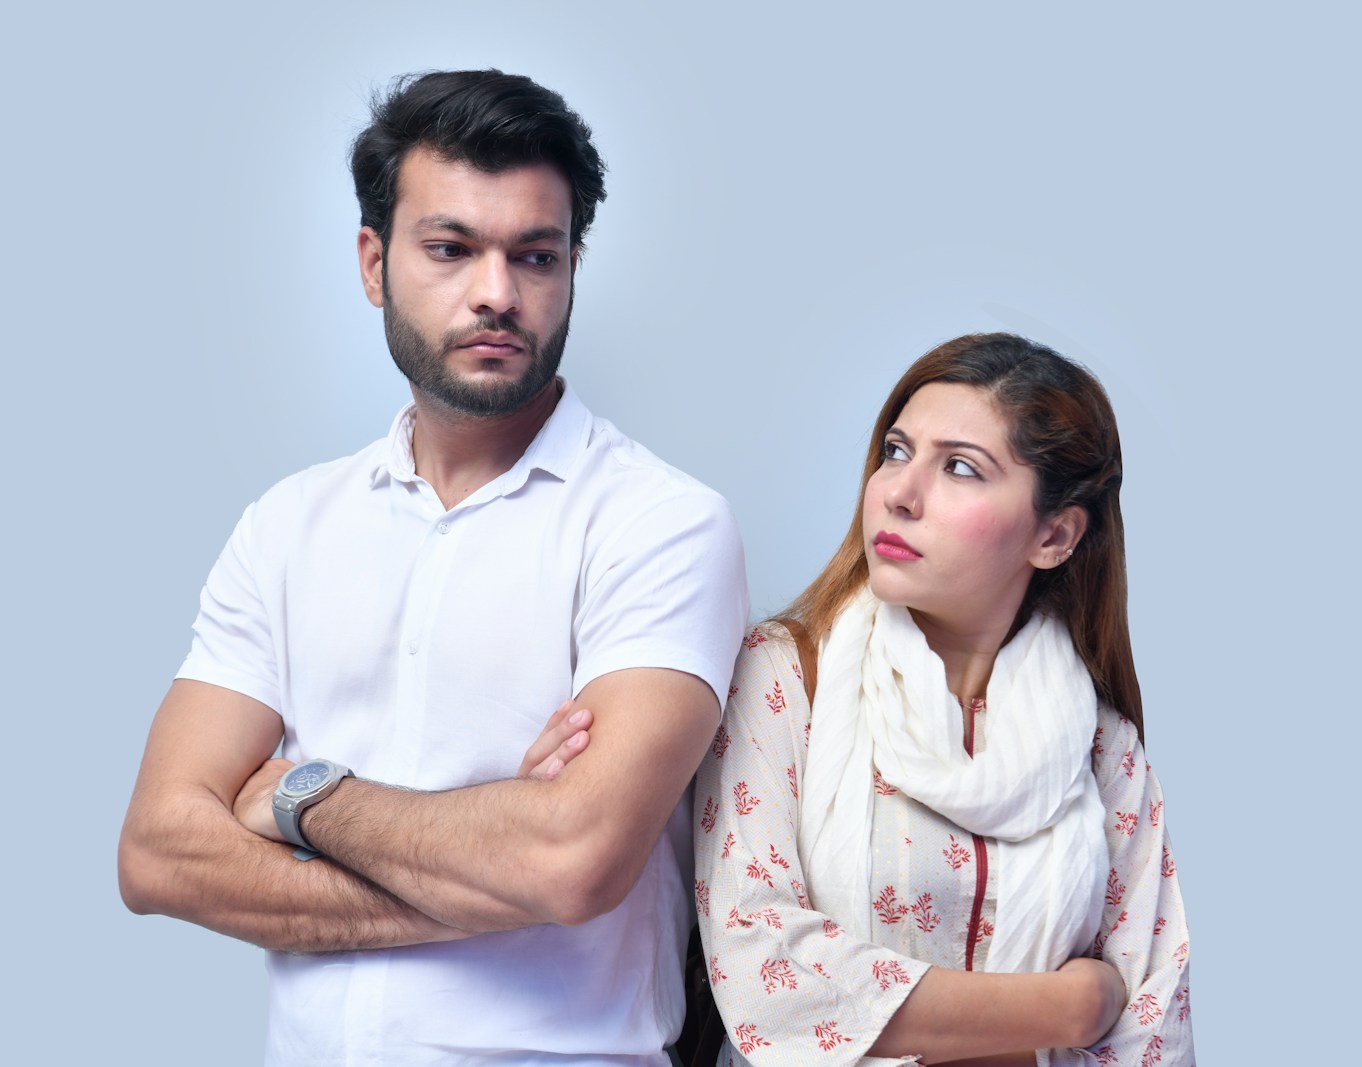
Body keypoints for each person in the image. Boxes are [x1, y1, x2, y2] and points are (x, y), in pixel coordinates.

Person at [117, 70, 748, 1066]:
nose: (497, 292)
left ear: (571, 267)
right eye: (450, 248)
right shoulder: (288, 524)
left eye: (534, 256)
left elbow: (573, 858)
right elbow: (157, 850)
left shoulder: (660, 524)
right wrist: (491, 877)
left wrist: (299, 796)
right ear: (374, 263)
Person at [693, 333, 1193, 1065]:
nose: (899, 490)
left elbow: (1154, 1020)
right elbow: (764, 968)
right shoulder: (784, 679)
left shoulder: (1100, 744)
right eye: (896, 451)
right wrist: (1073, 1005)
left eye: (960, 467)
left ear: (1054, 534)